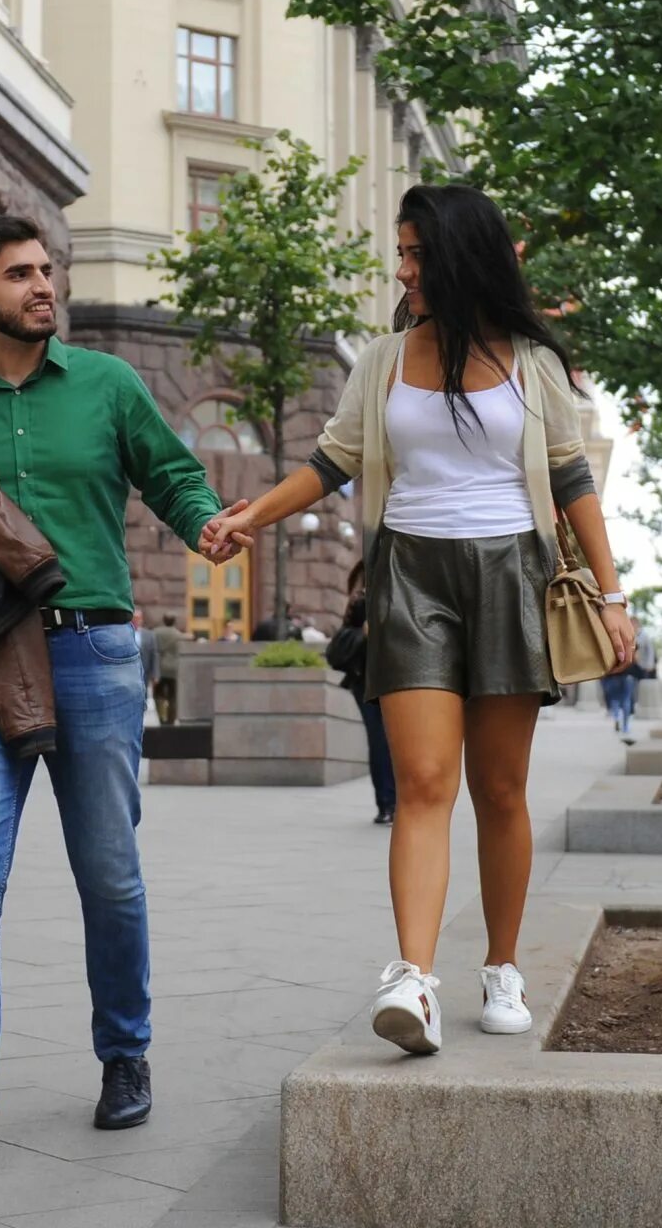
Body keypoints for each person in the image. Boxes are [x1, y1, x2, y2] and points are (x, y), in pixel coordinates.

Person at [203, 183, 635, 1054]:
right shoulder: (384, 359)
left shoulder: (530, 362)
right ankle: (414, 978)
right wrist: (253, 516)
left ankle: (503, 966)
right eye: (400, 252)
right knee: (425, 782)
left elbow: (570, 478)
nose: (402, 269)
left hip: (513, 574)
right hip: (411, 575)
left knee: (500, 789)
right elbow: (333, 460)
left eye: (416, 254)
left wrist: (613, 594)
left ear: (459, 257)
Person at [0, 215, 226, 1180]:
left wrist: (204, 525)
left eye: (45, 270)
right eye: (19, 273)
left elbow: (172, 475)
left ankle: (124, 1051)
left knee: (109, 874)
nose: (43, 285)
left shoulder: (108, 384)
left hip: (95, 652)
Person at [330, 561, 396, 825]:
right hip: (369, 678)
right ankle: (388, 803)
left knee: (388, 741)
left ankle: (392, 803)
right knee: (380, 741)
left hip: (389, 676)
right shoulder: (362, 597)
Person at [151, 614, 182, 725]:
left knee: (158, 694)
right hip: (174, 669)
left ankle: (162, 717)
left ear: (163, 620)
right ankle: (171, 719)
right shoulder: (178, 635)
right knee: (173, 696)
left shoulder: (155, 633)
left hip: (159, 668)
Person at [601, 657, 637, 745]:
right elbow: (635, 659)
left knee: (615, 699)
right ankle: (625, 726)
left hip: (613, 675)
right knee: (626, 700)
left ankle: (616, 717)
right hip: (627, 674)